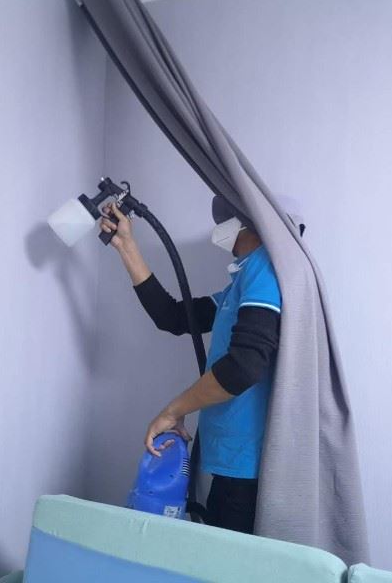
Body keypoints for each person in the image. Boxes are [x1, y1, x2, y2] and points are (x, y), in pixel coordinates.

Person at [101, 195, 283, 534]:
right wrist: (126, 246)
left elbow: (243, 367)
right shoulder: (241, 281)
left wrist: (173, 410)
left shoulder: (265, 267)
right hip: (227, 460)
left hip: (246, 468)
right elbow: (173, 316)